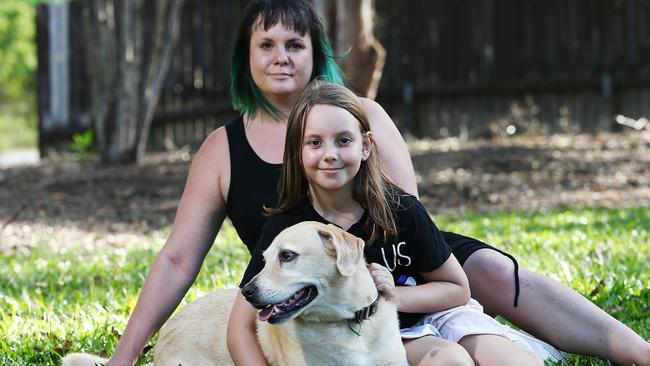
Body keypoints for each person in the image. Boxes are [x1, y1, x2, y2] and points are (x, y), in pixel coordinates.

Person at [104, 1, 650, 365]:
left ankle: (631, 347)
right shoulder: (223, 149)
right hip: (319, 284)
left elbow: (402, 212)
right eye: (265, 45)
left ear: (315, 51)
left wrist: (400, 290)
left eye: (294, 44)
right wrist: (125, 357)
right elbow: (177, 260)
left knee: (484, 268)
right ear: (244, 59)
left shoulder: (363, 113)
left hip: (402, 264)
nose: (280, 57)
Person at [228, 79, 562, 365]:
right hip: (382, 337)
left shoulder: (399, 208)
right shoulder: (288, 229)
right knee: (449, 360)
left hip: (432, 313)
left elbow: (457, 288)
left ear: (365, 146)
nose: (329, 153)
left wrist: (394, 296)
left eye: (343, 140)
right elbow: (241, 325)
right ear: (297, 152)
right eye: (314, 142)